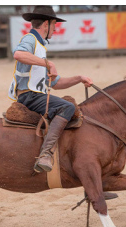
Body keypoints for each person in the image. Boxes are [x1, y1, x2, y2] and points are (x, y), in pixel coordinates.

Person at [8, 6, 93, 173]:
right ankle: (46, 154)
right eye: (54, 26)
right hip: (30, 96)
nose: (55, 30)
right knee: (67, 107)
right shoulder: (31, 39)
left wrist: (79, 78)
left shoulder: (40, 46)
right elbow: (18, 54)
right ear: (46, 24)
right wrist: (49, 63)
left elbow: (55, 83)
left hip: (35, 95)